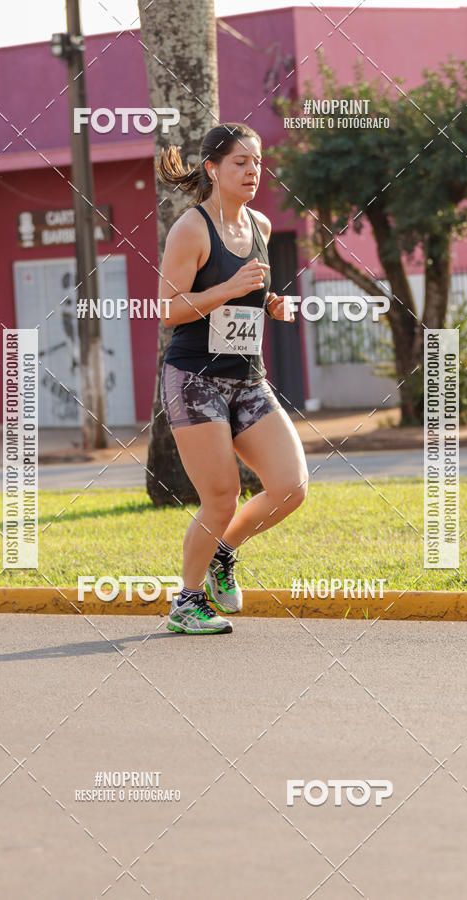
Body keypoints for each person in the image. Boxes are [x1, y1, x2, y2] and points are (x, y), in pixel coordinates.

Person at [156, 122, 309, 635]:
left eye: (257, 162)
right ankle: (186, 601)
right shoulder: (192, 229)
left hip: (247, 377)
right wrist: (226, 287)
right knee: (221, 496)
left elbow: (249, 294)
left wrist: (271, 303)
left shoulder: (261, 226)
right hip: (194, 378)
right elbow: (169, 310)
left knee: (291, 487)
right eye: (239, 162)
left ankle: (225, 552)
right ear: (213, 169)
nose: (251, 172)